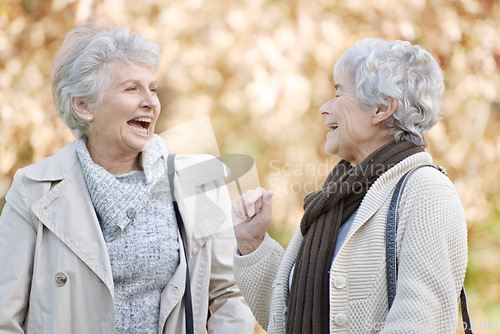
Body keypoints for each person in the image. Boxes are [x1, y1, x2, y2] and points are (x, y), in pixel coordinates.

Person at [0, 22, 254, 334]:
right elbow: (5, 318)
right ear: (83, 106)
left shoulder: (197, 182)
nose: (150, 101)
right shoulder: (33, 190)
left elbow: (231, 296)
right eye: (131, 89)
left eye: (153, 88)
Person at [232, 38, 468, 333]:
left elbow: (419, 322)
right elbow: (286, 317)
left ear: (381, 109)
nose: (323, 109)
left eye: (338, 93)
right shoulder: (337, 198)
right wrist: (252, 243)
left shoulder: (427, 191)